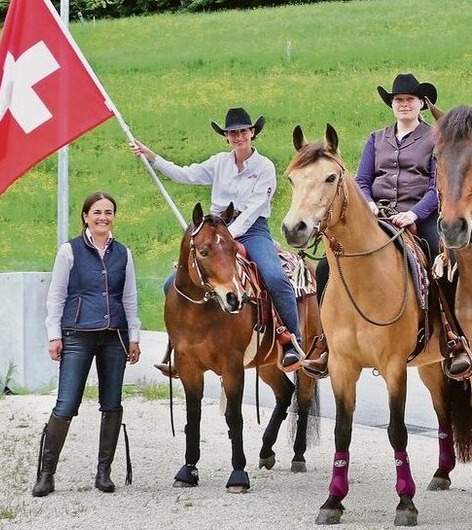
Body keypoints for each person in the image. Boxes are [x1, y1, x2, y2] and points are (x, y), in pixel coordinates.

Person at [130, 107, 320, 374]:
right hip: (217, 229)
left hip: (252, 230)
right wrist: (154, 158)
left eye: (243, 131)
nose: (238, 137)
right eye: (232, 133)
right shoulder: (219, 162)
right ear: (226, 137)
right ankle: (179, 346)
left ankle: (291, 341)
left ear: (252, 133)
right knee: (171, 284)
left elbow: (255, 208)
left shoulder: (264, 168)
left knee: (275, 277)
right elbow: (185, 174)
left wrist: (227, 237)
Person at [344, 72, 472, 377]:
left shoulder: (434, 138)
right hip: (377, 217)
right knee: (329, 264)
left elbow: (436, 186)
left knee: (445, 266)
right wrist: (370, 206)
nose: (404, 104)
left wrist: (414, 214)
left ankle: (455, 338)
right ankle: (325, 340)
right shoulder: (376, 139)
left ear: (420, 105)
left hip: (420, 217)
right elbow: (362, 180)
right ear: (392, 104)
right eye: (398, 100)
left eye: (410, 100)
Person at [34, 191, 141, 497]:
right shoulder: (69, 251)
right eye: (97, 212)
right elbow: (56, 295)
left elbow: (130, 298)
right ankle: (46, 473)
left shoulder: (124, 253)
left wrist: (133, 337)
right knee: (66, 404)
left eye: (108, 212)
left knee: (112, 404)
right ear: (85, 216)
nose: (103, 217)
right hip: (77, 334)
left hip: (114, 336)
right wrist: (53, 334)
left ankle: (103, 473)